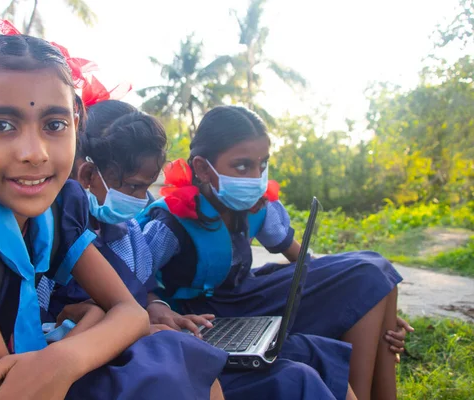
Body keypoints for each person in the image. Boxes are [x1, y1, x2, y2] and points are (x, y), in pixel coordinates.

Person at [0, 8, 223, 399]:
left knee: (180, 354)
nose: (34, 153)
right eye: (2, 125)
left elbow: (131, 312)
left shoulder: (58, 205)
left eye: (54, 125)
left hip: (24, 364)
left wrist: (66, 357)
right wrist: (91, 330)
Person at [42, 99, 356, 400]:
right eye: (135, 187)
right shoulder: (60, 235)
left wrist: (159, 310)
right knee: (294, 379)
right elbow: (58, 321)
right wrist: (144, 327)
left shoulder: (128, 233)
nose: (142, 199)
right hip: (129, 361)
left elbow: (141, 295)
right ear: (85, 175)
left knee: (319, 355)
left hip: (165, 341)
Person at [138, 105, 410, 400]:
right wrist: (160, 307)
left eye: (262, 165)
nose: (256, 177)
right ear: (203, 168)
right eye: (242, 166)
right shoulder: (172, 222)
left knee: (372, 268)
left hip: (245, 296)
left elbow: (304, 263)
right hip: (201, 316)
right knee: (367, 274)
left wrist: (362, 298)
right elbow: (136, 281)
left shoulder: (259, 208)